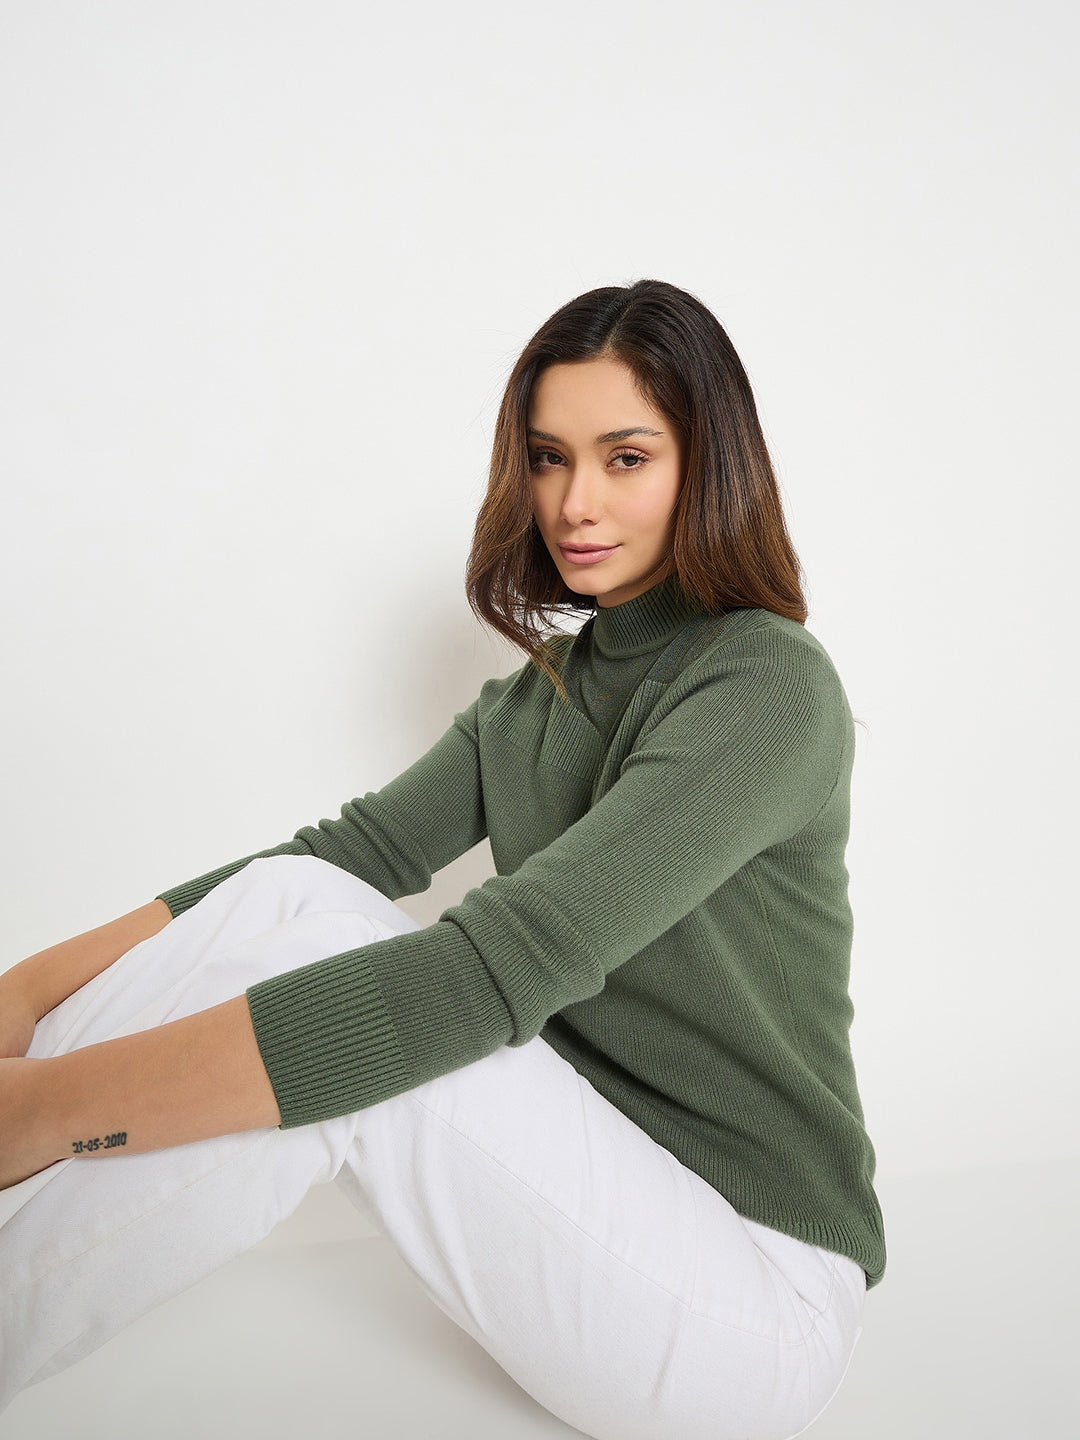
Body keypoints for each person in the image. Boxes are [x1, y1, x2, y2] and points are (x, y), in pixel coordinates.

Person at [0, 278, 886, 1440]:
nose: (575, 502)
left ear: (707, 466)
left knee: (379, 1027)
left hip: (754, 1297)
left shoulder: (764, 684)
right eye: (548, 458)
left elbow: (488, 973)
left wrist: (51, 1109)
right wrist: (22, 996)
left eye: (626, 458)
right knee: (304, 895)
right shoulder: (533, 701)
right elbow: (335, 859)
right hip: (606, 1207)